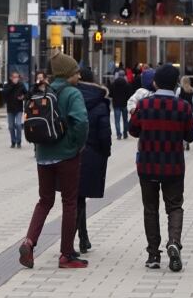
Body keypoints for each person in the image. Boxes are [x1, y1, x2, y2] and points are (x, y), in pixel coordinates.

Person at [19, 51, 89, 269]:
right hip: (66, 155)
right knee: (69, 202)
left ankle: (29, 243)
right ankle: (66, 255)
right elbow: (81, 122)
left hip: (43, 156)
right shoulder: (72, 93)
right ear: (68, 74)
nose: (78, 75)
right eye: (76, 71)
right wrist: (77, 145)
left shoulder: (44, 92)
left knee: (44, 201)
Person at [129, 64, 193, 272]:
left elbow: (132, 130)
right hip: (173, 166)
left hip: (147, 165)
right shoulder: (183, 106)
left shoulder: (144, 105)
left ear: (155, 82)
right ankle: (174, 241)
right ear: (176, 83)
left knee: (151, 209)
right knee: (174, 206)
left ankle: (153, 255)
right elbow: (190, 136)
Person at [76, 67, 112, 254]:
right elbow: (104, 131)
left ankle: (82, 237)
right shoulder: (100, 101)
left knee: (75, 198)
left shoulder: (69, 97)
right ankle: (79, 239)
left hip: (71, 152)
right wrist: (106, 151)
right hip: (93, 153)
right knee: (79, 199)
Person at [3, 71, 28, 149]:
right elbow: (5, 93)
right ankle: (13, 141)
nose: (16, 79)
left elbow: (27, 94)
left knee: (18, 124)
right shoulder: (7, 85)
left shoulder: (21, 85)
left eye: (17, 77)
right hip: (10, 108)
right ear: (11, 78)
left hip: (18, 108)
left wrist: (23, 97)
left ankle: (18, 141)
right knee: (11, 126)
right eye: (14, 77)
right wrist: (13, 85)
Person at [109, 70, 132, 140]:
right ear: (124, 75)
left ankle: (118, 134)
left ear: (118, 75)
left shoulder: (113, 84)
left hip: (116, 104)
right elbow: (129, 95)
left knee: (117, 120)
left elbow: (110, 94)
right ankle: (125, 133)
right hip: (124, 104)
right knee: (125, 120)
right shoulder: (127, 84)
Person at [176, 76, 193, 151]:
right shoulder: (192, 90)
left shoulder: (179, 89)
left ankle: (183, 143)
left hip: (180, 109)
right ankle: (187, 142)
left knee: (181, 126)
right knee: (188, 126)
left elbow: (176, 98)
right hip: (189, 109)